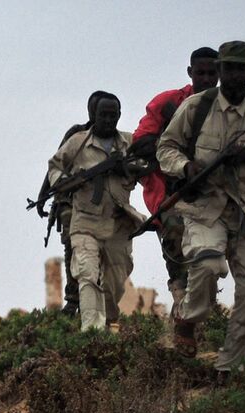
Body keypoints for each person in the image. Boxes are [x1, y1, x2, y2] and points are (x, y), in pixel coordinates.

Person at [156, 40, 245, 374]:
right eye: (228, 68)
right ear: (219, 70)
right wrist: (186, 167)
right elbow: (166, 149)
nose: (234, 75)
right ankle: (187, 320)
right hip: (205, 209)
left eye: (241, 69)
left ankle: (230, 371)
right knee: (207, 264)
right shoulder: (196, 107)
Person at [129, 47, 218, 316]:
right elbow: (140, 143)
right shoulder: (168, 104)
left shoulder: (229, 109)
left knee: (211, 260)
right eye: (200, 73)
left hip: (213, 198)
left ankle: (203, 312)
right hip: (169, 196)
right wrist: (180, 155)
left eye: (211, 73)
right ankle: (182, 311)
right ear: (190, 73)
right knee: (178, 252)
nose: (205, 79)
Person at [48, 95, 147, 331]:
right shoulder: (78, 143)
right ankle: (92, 333)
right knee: (87, 274)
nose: (108, 119)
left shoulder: (128, 142)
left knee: (115, 282)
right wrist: (66, 182)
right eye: (103, 114)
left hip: (118, 223)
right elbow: (54, 167)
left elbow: (147, 167)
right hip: (85, 221)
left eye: (113, 115)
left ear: (119, 115)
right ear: (94, 115)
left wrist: (125, 167)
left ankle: (108, 323)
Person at [34, 90, 112, 316]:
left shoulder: (113, 139)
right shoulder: (77, 134)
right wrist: (43, 195)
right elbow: (55, 165)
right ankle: (73, 298)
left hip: (101, 206)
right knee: (71, 247)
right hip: (69, 201)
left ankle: (96, 300)